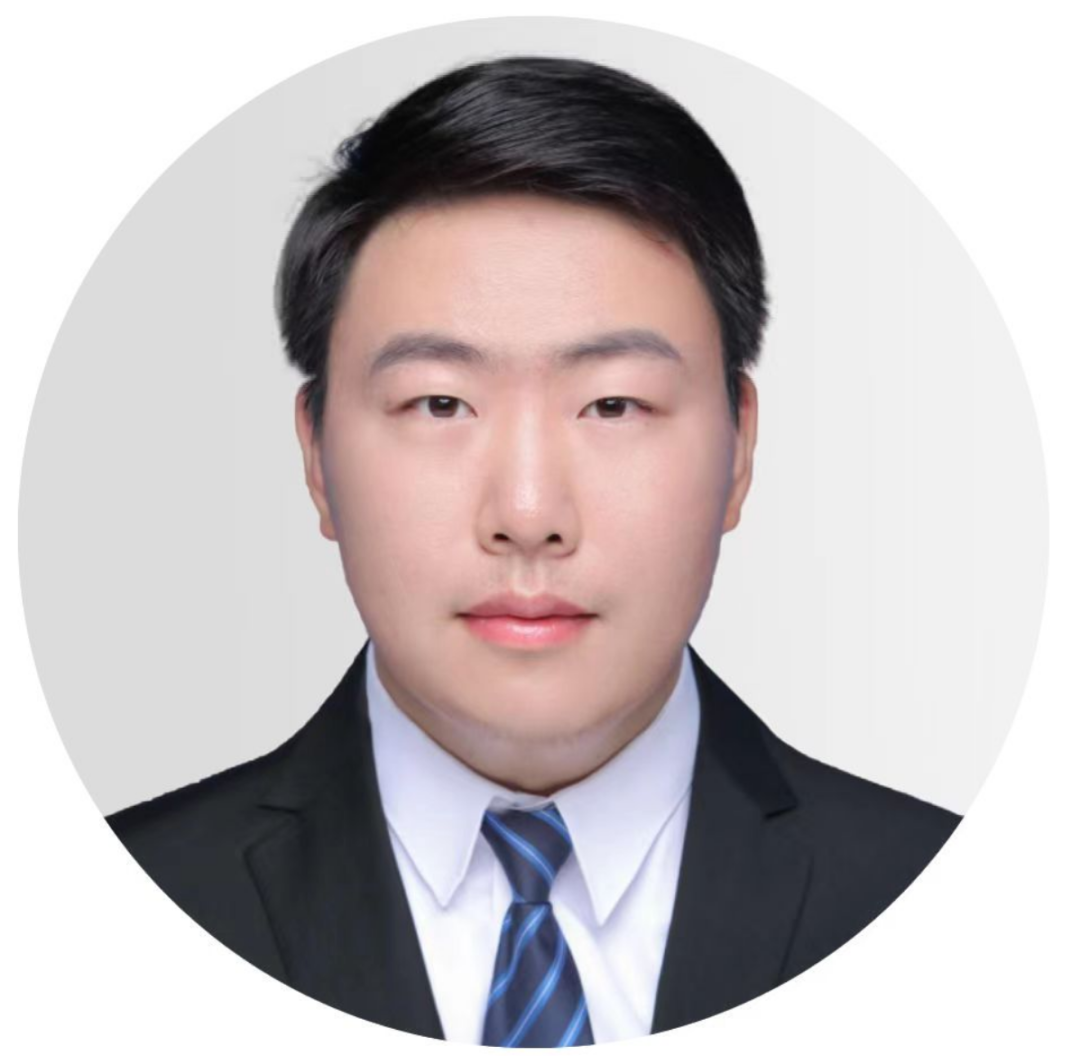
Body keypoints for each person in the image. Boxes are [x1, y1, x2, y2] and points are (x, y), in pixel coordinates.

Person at [106, 55, 962, 1046]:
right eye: (439, 403)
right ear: (316, 457)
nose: (526, 513)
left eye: (613, 404)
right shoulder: (118, 904)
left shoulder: (945, 901)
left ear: (739, 451)